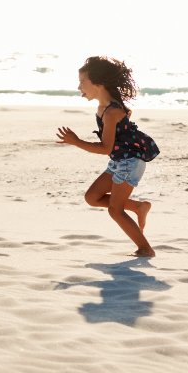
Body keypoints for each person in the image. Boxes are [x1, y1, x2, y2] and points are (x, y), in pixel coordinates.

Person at [56, 56, 159, 257]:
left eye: (82, 82)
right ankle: (139, 206)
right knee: (92, 197)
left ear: (99, 83)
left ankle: (146, 249)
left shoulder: (111, 111)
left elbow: (105, 148)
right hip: (120, 160)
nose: (79, 87)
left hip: (129, 163)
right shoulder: (105, 108)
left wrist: (76, 141)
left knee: (115, 210)